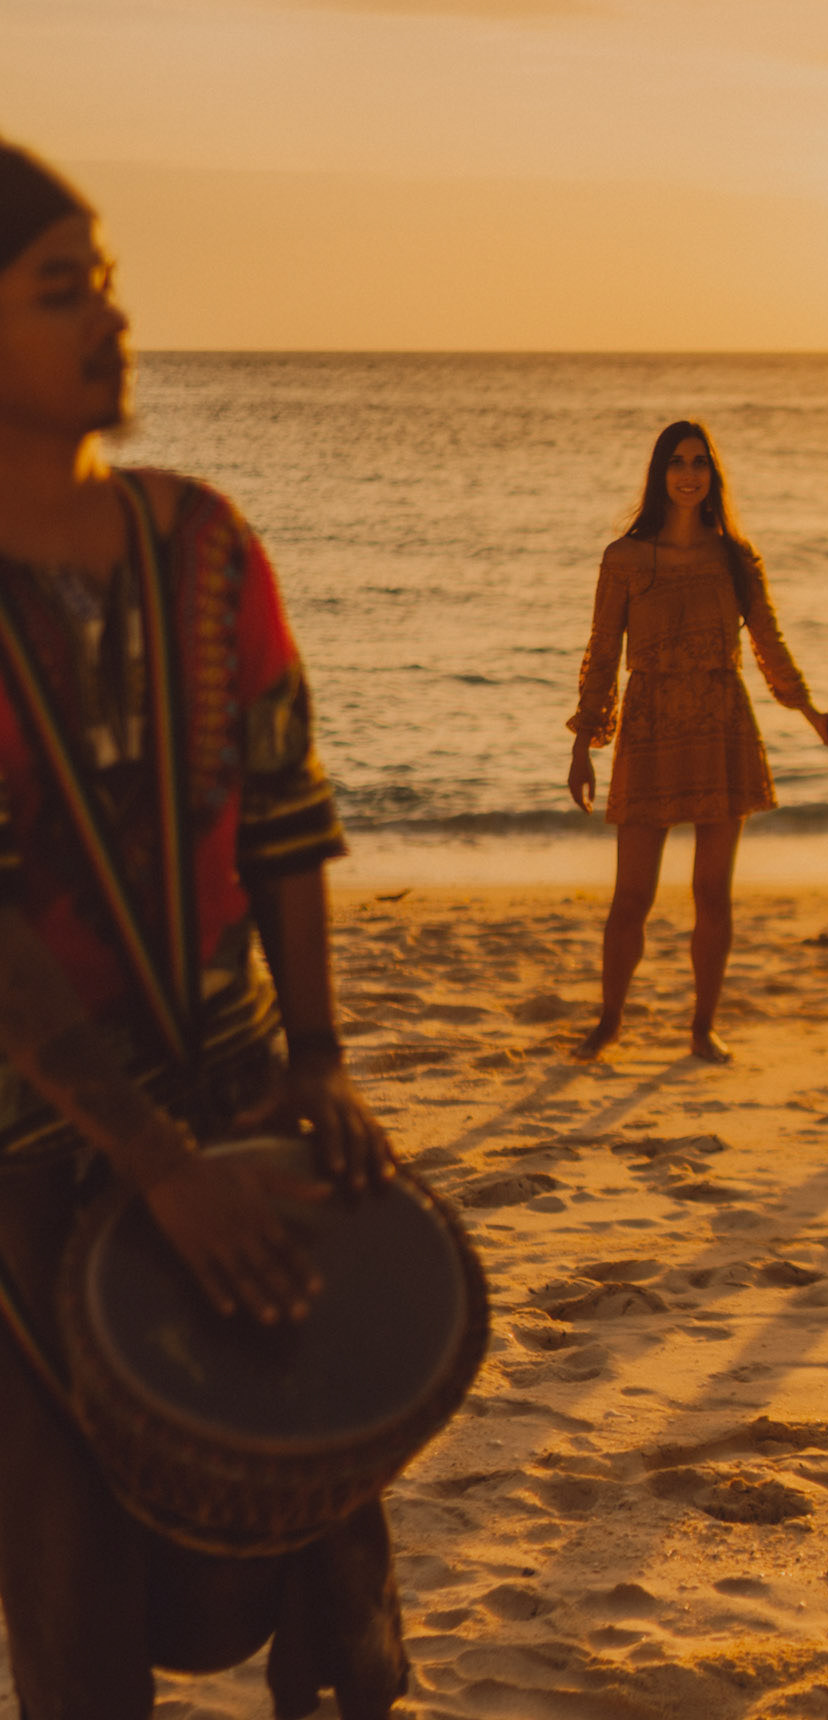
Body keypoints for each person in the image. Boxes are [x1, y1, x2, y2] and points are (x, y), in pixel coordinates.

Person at [0, 140, 405, 1718]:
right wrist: (151, 1163)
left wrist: (316, 1062)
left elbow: (290, 814)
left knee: (332, 1521)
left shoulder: (204, 541)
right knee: (71, 1562)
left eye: (105, 280)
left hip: (243, 1096)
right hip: (33, 1147)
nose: (110, 318)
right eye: (58, 291)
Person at [567, 420, 828, 1064]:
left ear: (712, 476)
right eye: (677, 463)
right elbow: (602, 653)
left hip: (721, 724)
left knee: (713, 894)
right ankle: (610, 1020)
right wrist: (583, 744)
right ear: (660, 475)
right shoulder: (625, 560)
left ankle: (702, 1027)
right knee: (631, 896)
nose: (689, 474)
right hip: (650, 726)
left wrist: (810, 713)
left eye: (700, 464)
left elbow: (769, 643)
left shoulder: (735, 559)